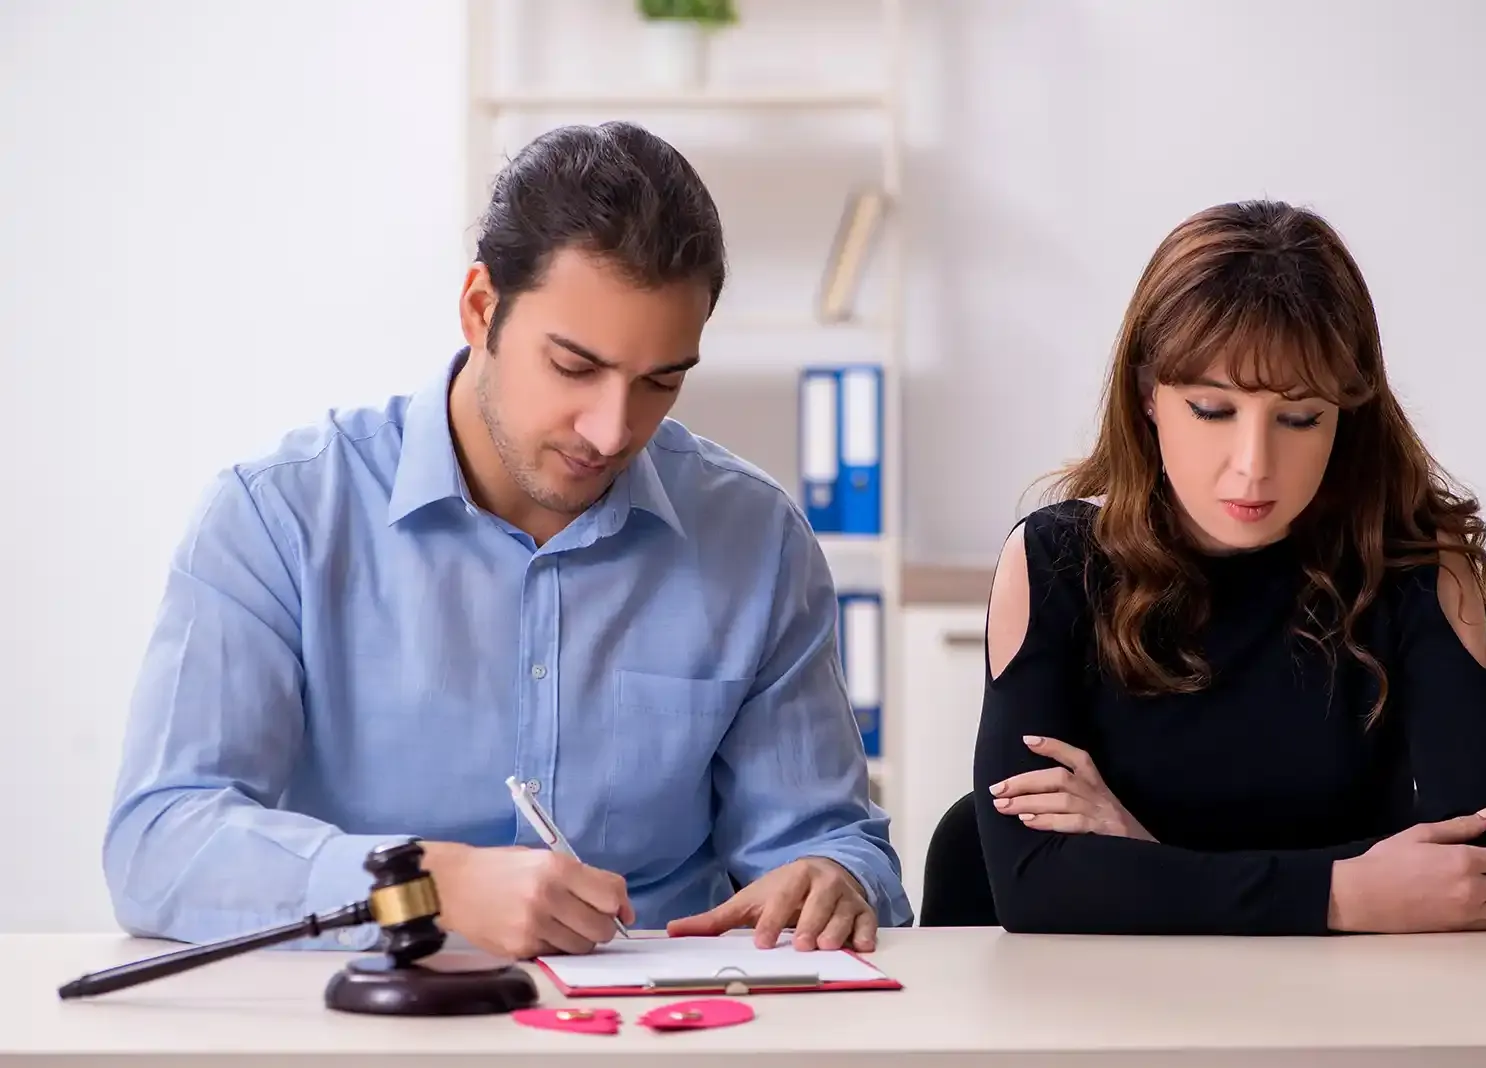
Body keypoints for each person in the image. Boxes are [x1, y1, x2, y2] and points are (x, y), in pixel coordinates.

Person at [102, 121, 910, 959]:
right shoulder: (278, 518)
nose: (611, 429)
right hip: (375, 1023)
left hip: (667, 1034)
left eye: (660, 382)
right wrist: (423, 886)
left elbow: (838, 846)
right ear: (481, 308)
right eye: (573, 366)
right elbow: (160, 843)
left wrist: (833, 877)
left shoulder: (755, 538)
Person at [973, 200, 1486, 936]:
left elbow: (1485, 877)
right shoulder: (1054, 562)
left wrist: (1149, 857)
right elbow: (1033, 886)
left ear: (1348, 414)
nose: (1253, 468)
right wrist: (1345, 893)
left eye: (1300, 417)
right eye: (1213, 410)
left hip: (1349, 1023)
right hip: (1111, 1015)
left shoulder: (1417, 567)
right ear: (1149, 396)